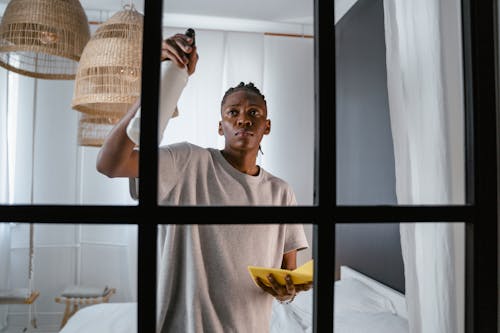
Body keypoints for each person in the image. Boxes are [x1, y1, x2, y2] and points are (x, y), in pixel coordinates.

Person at [96, 31, 312, 333]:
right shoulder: (187, 163)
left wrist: (287, 291)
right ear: (220, 126)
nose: (243, 119)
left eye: (254, 113)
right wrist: (153, 85)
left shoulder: (281, 193)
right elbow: (109, 164)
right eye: (232, 112)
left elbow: (288, 275)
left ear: (267, 126)